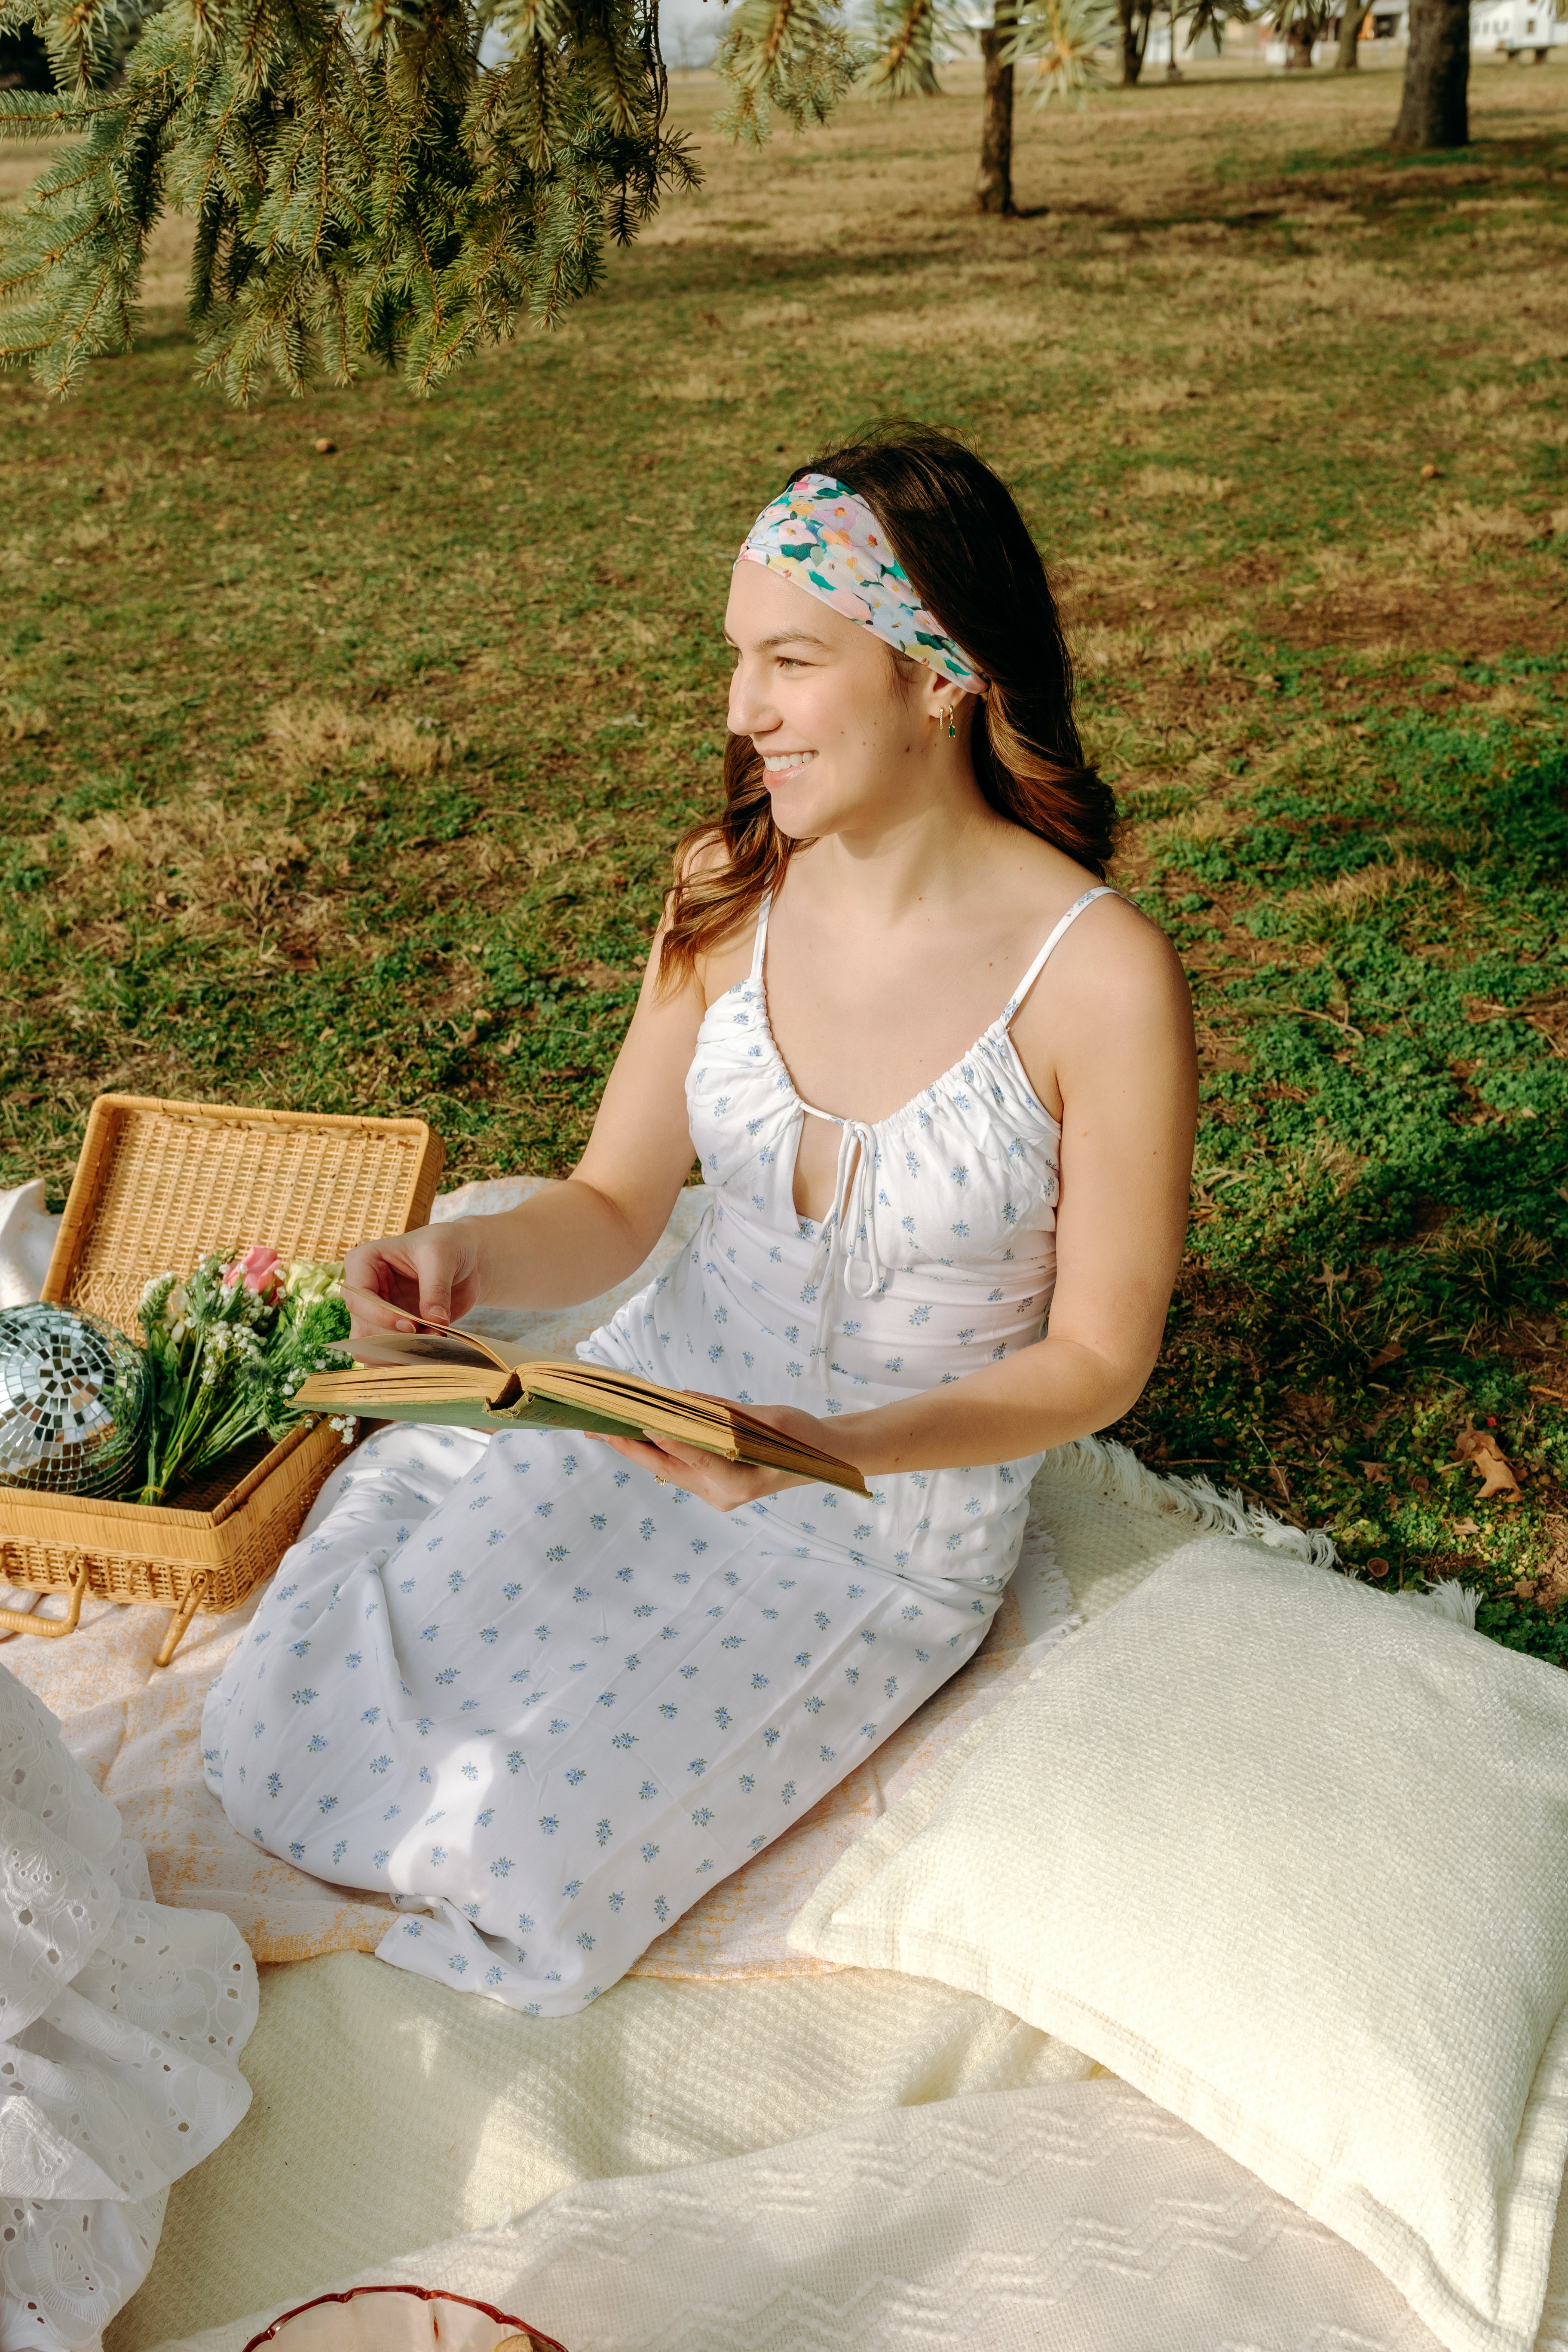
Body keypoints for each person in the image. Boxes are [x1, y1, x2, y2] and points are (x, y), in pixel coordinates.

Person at [202, 428, 1198, 2016]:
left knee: (520, 1853)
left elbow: (1094, 1363)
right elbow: (609, 1206)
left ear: (938, 674)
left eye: (789, 662)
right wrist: (473, 1263)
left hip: (874, 1522)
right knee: (287, 1727)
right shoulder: (728, 889)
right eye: (739, 661)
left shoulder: (1098, 977)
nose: (743, 713)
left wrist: (821, 1446)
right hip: (644, 1413)